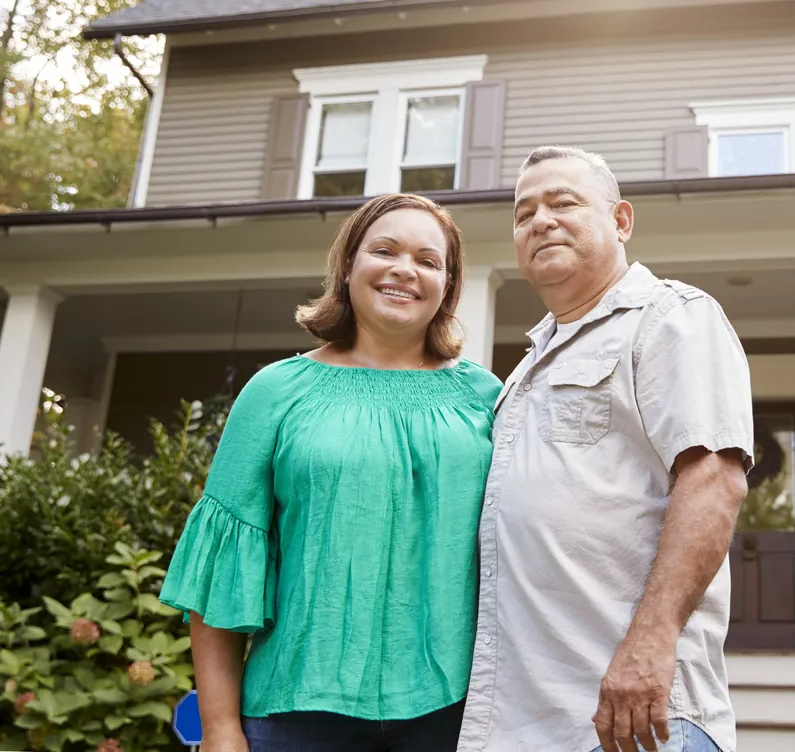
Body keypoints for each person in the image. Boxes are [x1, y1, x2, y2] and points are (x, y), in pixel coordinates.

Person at [159, 194, 502, 752]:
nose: (403, 269)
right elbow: (223, 571)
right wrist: (221, 730)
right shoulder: (275, 392)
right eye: (384, 250)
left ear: (447, 284)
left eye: (427, 259)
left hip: (457, 713)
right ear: (348, 266)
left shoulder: (486, 398)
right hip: (296, 713)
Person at [458, 146, 754, 752]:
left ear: (620, 221)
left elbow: (714, 480)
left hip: (634, 717)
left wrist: (651, 642)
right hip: (524, 718)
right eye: (523, 213)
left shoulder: (670, 317)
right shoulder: (526, 365)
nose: (540, 220)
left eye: (564, 202)